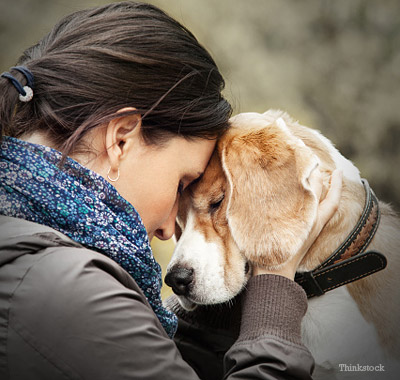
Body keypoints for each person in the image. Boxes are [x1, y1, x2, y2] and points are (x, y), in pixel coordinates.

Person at [0, 2, 342, 379]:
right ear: (121, 140)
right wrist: (274, 289)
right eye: (181, 183)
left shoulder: (28, 253)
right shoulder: (66, 289)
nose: (167, 230)